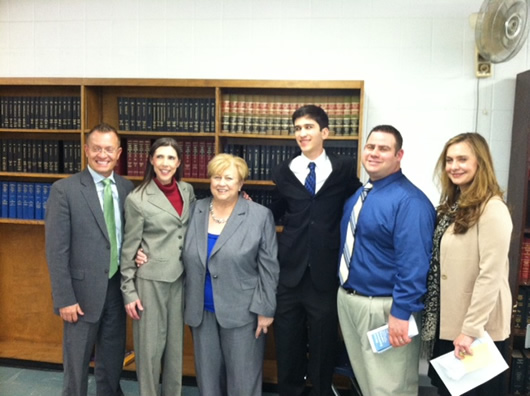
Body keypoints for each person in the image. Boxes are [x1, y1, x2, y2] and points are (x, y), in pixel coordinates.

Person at [337, 124, 436, 396]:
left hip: (385, 309)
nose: (374, 153)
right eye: (370, 147)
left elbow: (414, 264)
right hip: (351, 301)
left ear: (398, 155)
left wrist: (401, 312)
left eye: (384, 148)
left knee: (391, 388)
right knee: (368, 385)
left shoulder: (410, 202)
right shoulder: (360, 195)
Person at [270, 104, 361, 396]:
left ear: (325, 132)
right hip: (289, 274)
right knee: (287, 344)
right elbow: (276, 212)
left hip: (325, 275)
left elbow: (359, 205)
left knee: (323, 347)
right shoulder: (284, 170)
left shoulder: (344, 167)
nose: (301, 133)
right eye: (297, 128)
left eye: (308, 127)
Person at [45, 123, 134, 396]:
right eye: (96, 148)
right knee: (77, 365)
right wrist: (64, 298)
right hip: (80, 296)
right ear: (86, 150)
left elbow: (131, 235)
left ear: (118, 153)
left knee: (111, 360)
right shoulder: (65, 190)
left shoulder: (127, 187)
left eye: (109, 149)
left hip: (117, 290)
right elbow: (56, 250)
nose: (102, 154)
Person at [423, 132, 512, 396]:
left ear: (480, 164)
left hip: (475, 330)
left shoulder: (493, 209)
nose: (454, 166)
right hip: (449, 322)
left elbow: (491, 276)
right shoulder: (454, 206)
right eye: (449, 160)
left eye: (462, 159)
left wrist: (470, 330)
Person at [183, 153, 279, 396]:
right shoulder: (196, 210)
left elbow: (269, 268)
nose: (221, 183)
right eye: (217, 177)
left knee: (243, 382)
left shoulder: (259, 215)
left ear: (240, 184)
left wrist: (265, 310)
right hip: (201, 311)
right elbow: (173, 244)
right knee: (208, 382)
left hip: (243, 313)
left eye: (229, 178)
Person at [120, 138, 196, 396]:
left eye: (171, 158)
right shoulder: (137, 199)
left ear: (179, 162)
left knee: (175, 351)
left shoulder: (187, 191)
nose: (165, 163)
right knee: (150, 351)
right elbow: (129, 249)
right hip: (150, 282)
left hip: (180, 280)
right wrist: (128, 291)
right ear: (151, 160)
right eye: (160, 157)